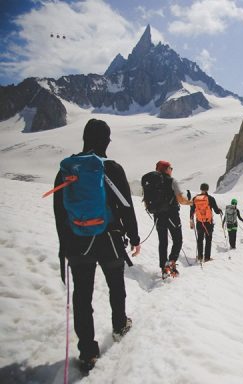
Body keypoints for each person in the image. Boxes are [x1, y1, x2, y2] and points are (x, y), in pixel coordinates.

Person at [52, 119, 141, 371]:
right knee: (115, 283)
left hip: (77, 241)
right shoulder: (111, 168)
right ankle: (119, 325)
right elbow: (126, 207)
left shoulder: (66, 170)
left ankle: (88, 352)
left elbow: (60, 213)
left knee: (81, 295)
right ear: (107, 141)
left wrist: (64, 247)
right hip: (109, 238)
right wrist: (134, 238)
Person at [150, 161, 192, 279]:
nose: (172, 170)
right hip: (171, 215)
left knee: (163, 242)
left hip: (158, 216)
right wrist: (190, 202)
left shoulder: (151, 182)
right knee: (177, 239)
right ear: (166, 169)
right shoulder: (171, 181)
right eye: (170, 168)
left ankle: (163, 267)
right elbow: (181, 200)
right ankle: (171, 262)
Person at [189, 183, 222, 262]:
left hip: (199, 222)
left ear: (201, 189)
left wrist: (191, 221)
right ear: (207, 189)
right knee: (208, 239)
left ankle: (200, 257)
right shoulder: (210, 198)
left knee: (200, 239)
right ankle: (207, 258)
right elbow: (216, 211)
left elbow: (192, 211)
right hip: (208, 223)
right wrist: (219, 210)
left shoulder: (195, 198)